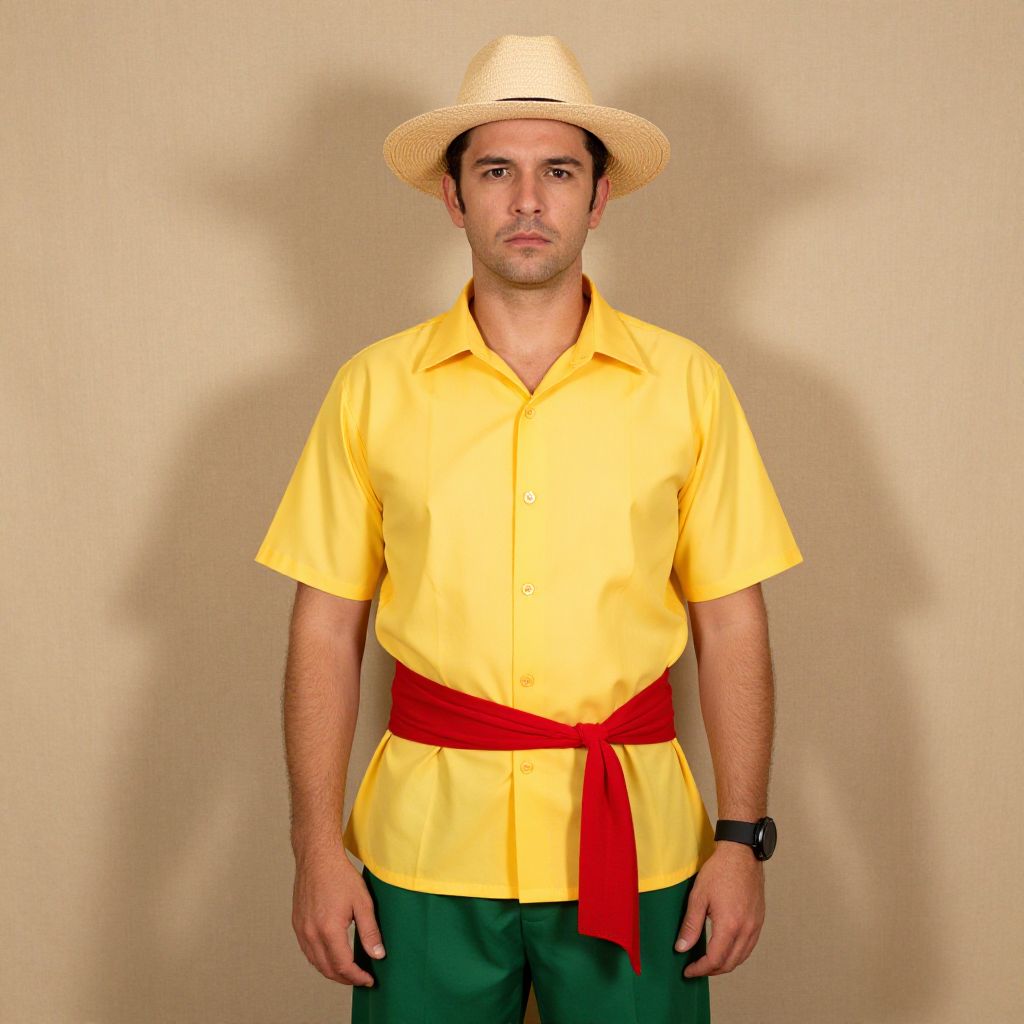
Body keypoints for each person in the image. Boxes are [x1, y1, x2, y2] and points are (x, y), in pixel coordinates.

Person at [253, 33, 803, 1024]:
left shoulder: (687, 388)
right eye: (495, 171)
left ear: (598, 197)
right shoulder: (372, 390)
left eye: (557, 172)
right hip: (422, 854)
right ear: (451, 196)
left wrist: (739, 837)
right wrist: (315, 846)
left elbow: (731, 624)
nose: (526, 202)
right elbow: (324, 629)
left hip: (640, 849)